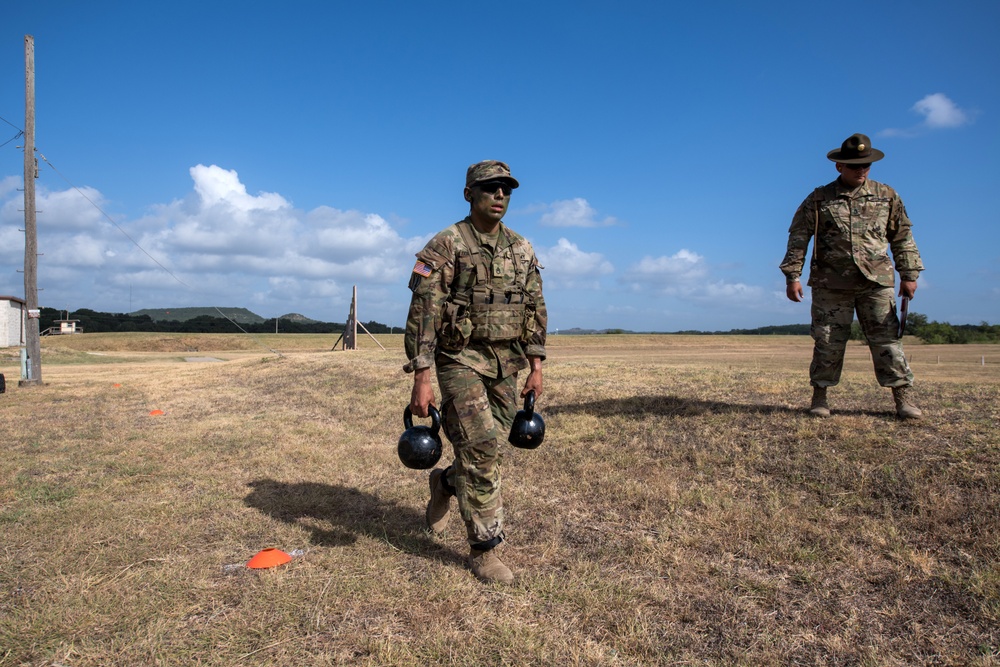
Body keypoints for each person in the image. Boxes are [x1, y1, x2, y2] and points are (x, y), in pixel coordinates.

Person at [403, 160, 547, 583]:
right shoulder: (447, 244)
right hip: (459, 359)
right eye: (490, 188)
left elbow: (535, 308)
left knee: (488, 449)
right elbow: (424, 313)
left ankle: (446, 483)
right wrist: (421, 376)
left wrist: (536, 366)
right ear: (469, 194)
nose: (499, 195)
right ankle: (485, 549)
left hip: (507, 363)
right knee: (481, 445)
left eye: (506, 189)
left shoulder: (522, 249)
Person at [780, 133, 925, 419]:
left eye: (866, 165)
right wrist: (792, 275)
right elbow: (798, 237)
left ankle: (903, 399)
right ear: (839, 167)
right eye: (854, 166)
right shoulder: (819, 198)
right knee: (827, 341)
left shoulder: (886, 195)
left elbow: (903, 237)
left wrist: (909, 273)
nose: (861, 170)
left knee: (887, 341)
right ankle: (820, 398)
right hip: (831, 283)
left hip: (876, 282)